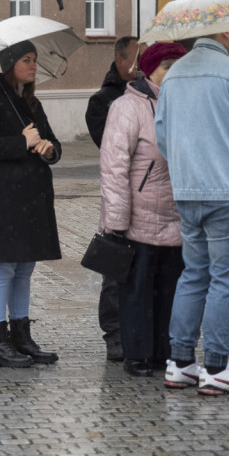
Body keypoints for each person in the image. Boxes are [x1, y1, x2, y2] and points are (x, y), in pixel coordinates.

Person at [155, 30, 229, 395]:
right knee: (227, 278)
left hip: (189, 191)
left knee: (194, 274)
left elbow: (163, 137)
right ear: (224, 32)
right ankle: (216, 366)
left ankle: (180, 363)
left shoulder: (174, 74)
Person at [0, 40, 61, 368]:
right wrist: (21, 142)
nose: (33, 65)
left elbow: (53, 142)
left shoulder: (30, 102)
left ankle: (22, 336)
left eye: (35, 59)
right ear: (10, 64)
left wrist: (49, 150)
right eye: (26, 60)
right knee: (4, 267)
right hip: (5, 199)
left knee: (25, 268)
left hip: (33, 197)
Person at [99, 42, 187, 378]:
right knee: (136, 290)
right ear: (148, 70)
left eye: (178, 65)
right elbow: (114, 167)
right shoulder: (126, 107)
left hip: (178, 217)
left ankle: (164, 352)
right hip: (138, 219)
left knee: (170, 291)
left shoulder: (186, 104)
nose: (173, 72)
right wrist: (117, 220)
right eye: (166, 66)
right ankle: (136, 353)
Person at [85, 35, 139, 362]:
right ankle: (114, 333)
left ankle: (139, 329)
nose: (140, 65)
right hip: (119, 195)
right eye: (134, 58)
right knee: (116, 268)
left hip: (152, 197)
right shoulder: (102, 102)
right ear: (120, 61)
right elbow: (113, 152)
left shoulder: (154, 96)